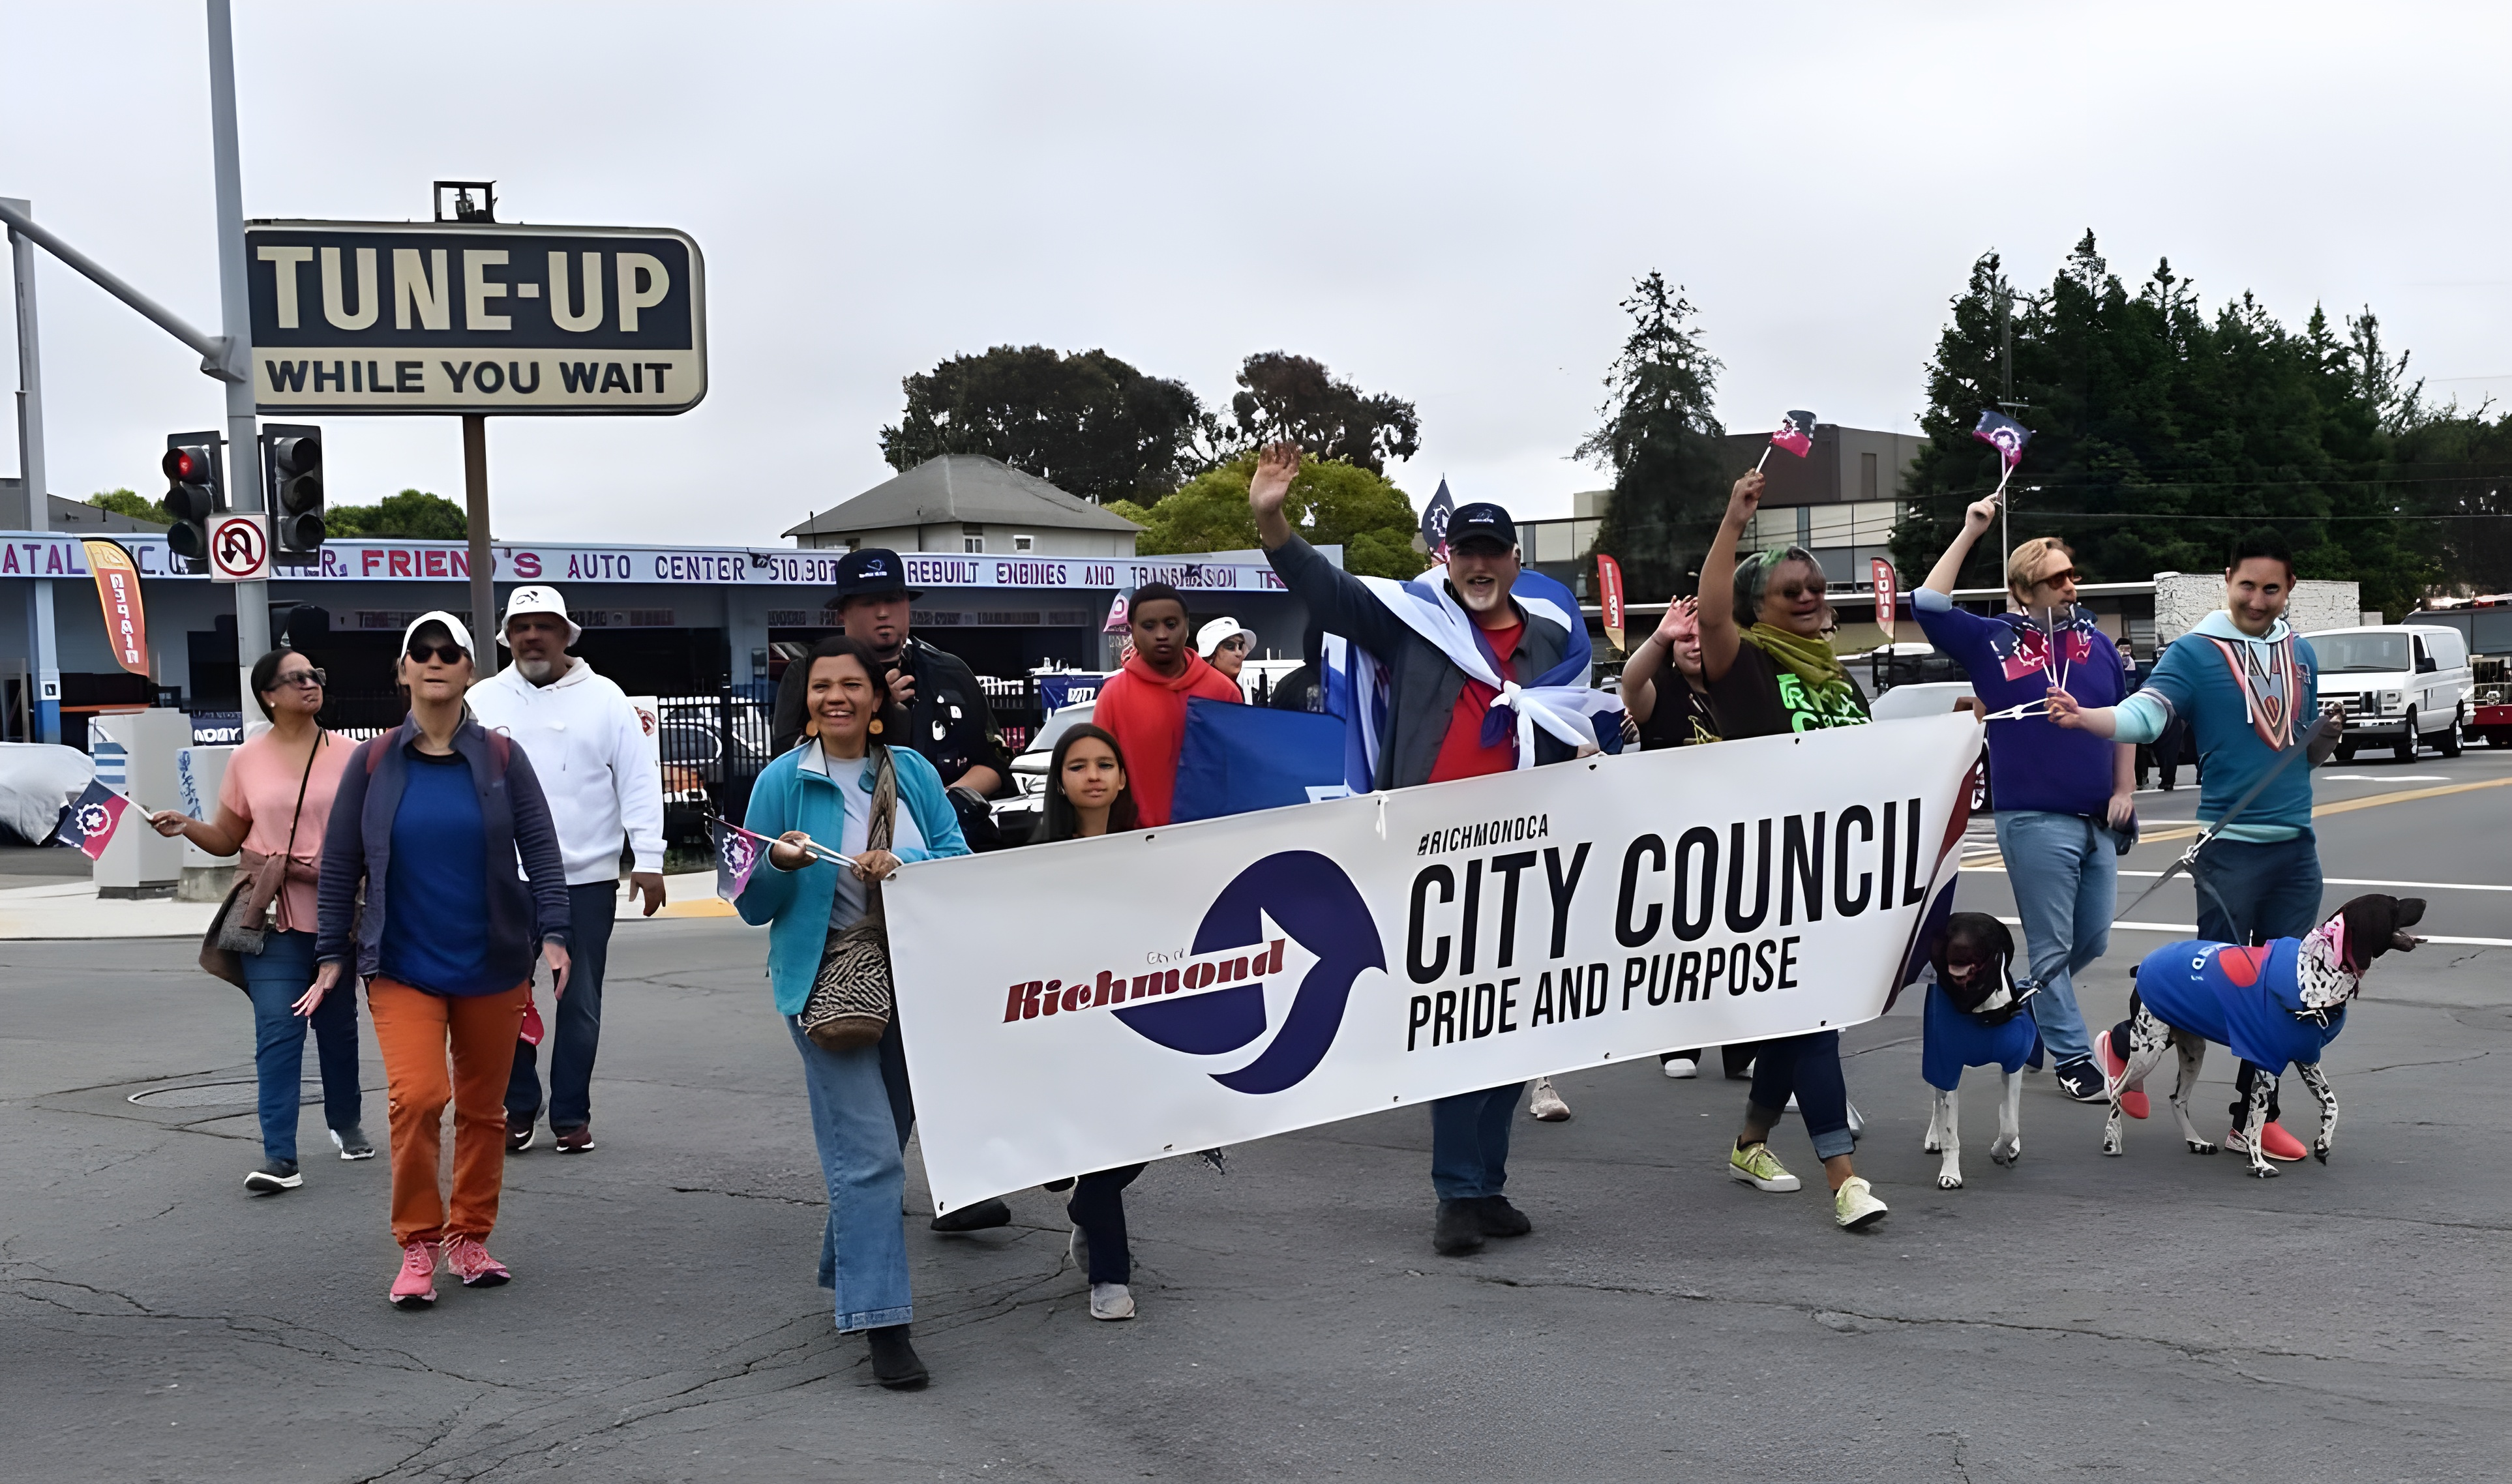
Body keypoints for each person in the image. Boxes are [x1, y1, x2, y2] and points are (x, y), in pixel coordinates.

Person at [1251, 441, 1592, 1257]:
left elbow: (1580, 718)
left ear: (1514, 560)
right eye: (1465, 552)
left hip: (1529, 856)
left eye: (1492, 553)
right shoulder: (1414, 624)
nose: (1478, 565)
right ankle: (1455, 1194)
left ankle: (1488, 1184)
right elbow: (1328, 591)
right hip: (1433, 855)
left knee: (1520, 1018)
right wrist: (1272, 518)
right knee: (1457, 1021)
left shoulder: (1551, 643)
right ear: (1450, 558)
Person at [305, 612, 575, 1309]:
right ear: (402, 671)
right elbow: (340, 862)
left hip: (492, 960)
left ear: (468, 671)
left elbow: (541, 851)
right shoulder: (371, 763)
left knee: (484, 1109)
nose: (433, 662)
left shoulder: (502, 760)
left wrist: (554, 932)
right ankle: (419, 1240)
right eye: (420, 654)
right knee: (419, 1096)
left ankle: (470, 1236)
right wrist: (333, 952)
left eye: (448, 652)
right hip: (401, 962)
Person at [2047, 533, 2339, 1161]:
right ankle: (2126, 1042)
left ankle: (2251, 1120)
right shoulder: (2195, 653)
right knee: (2222, 990)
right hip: (2229, 851)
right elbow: (2146, 716)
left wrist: (2325, 737)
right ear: (2226, 581)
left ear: (2289, 593)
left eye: (2272, 589)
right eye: (2247, 586)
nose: (2258, 600)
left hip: (2296, 848)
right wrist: (2086, 718)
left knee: (2284, 992)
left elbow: (2304, 754)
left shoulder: (2304, 654)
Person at [736, 636, 971, 1389]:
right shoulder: (782, 780)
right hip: (822, 982)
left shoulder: (917, 774)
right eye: (819, 686)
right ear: (805, 703)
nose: (834, 696)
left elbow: (960, 859)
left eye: (850, 686)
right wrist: (777, 862)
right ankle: (883, 1320)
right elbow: (746, 899)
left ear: (877, 702)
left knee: (884, 1143)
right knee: (870, 1154)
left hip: (915, 980)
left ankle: (848, 1263)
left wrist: (910, 864)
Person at [1696, 468, 1889, 1231]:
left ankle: (1750, 1141)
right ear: (1757, 610)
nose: (1810, 598)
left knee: (1801, 1020)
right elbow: (1711, 613)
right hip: (1774, 874)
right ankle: (1844, 1176)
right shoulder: (1747, 666)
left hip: (1841, 871)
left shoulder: (1843, 681)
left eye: (1814, 587)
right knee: (1812, 1014)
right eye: (1790, 592)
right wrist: (1735, 523)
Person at [1915, 501, 2138, 1103]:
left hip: (2098, 815)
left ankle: (2029, 1004)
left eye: (2073, 576)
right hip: (2034, 817)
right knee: (2052, 945)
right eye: (2057, 579)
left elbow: (2123, 721)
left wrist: (2125, 788)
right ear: (2022, 590)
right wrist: (1970, 531)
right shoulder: (1994, 640)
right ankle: (2071, 1056)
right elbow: (1928, 604)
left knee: (2090, 940)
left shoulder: (2094, 642)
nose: (2072, 586)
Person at [147, 647, 368, 1193]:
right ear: (269, 694)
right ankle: (280, 1157)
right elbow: (228, 838)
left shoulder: (353, 755)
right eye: (295, 678)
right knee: (277, 1030)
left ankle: (345, 1122)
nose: (310, 684)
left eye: (314, 674)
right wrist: (187, 826)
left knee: (338, 1030)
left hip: (338, 913)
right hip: (269, 917)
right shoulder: (246, 759)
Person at [467, 586, 667, 1157]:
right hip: (504, 878)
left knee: (579, 999)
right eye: (522, 626)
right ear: (507, 636)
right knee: (503, 997)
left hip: (586, 876)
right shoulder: (482, 700)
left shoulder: (605, 698)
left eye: (545, 625)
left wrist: (648, 858)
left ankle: (572, 1114)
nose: (533, 636)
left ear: (566, 634)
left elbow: (636, 779)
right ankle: (518, 1104)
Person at [772, 546, 1009, 849]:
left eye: (894, 599)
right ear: (842, 612)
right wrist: (877, 711)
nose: (883, 612)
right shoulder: (809, 675)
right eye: (869, 603)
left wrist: (941, 799)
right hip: (845, 855)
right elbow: (792, 772)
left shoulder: (950, 671)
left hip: (956, 849)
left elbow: (996, 760)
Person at [1038, 722, 1151, 1322]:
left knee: (1138, 1142)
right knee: (1103, 1148)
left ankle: (1086, 1208)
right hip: (1064, 1028)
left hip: (1135, 1024)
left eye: (1105, 764)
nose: (1093, 775)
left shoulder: (1150, 851)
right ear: (1060, 780)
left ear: (1123, 777)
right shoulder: (1033, 859)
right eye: (1078, 765)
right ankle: (1110, 1276)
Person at [1617, 595, 1723, 1080]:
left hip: (1734, 836)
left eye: (1703, 634)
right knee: (1681, 946)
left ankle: (1744, 1048)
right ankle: (1678, 1043)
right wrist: (1661, 636)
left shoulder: (1744, 692)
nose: (1694, 644)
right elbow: (1630, 684)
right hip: (1673, 843)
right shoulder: (1659, 694)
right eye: (1686, 636)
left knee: (1737, 945)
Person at [1090, 582, 1244, 827]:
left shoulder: (1223, 691)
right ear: (1132, 630)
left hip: (1213, 838)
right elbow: (1098, 776)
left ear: (1186, 625)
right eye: (1149, 626)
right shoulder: (1113, 696)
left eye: (1171, 624)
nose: (1162, 634)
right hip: (1138, 844)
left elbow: (1239, 773)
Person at [1197, 616, 1256, 685]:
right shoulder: (1203, 690)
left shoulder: (1233, 687)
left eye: (1240, 646)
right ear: (1211, 655)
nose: (1240, 653)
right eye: (1230, 646)